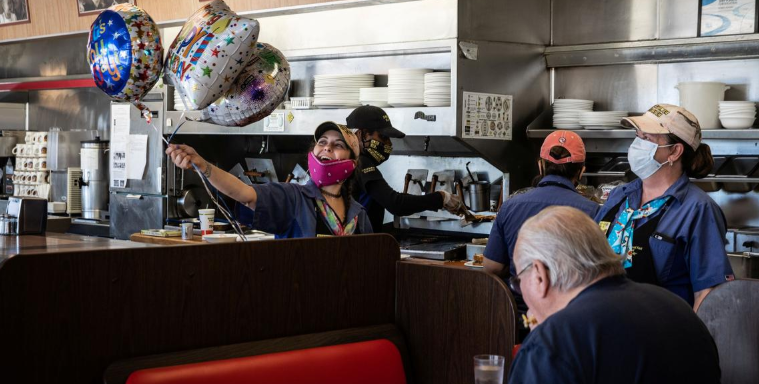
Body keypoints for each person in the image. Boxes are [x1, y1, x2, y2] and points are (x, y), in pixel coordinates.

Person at [508, 206, 722, 384]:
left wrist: (544, 337)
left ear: (539, 275)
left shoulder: (553, 343)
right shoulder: (679, 309)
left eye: (518, 280)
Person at [595, 104, 734, 311]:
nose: (636, 145)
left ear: (675, 151)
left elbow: (708, 294)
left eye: (647, 139)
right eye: (637, 136)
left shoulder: (697, 209)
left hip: (659, 334)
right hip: (601, 327)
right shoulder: (619, 196)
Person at [166, 122, 372, 237]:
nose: (327, 147)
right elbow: (245, 194)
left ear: (351, 163)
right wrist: (203, 165)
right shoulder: (293, 196)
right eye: (322, 142)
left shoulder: (358, 215)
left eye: (338, 145)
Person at [484, 131, 599, 312]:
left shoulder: (510, 206)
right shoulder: (594, 211)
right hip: (569, 317)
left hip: (520, 316)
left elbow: (492, 267)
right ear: (581, 171)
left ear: (540, 166)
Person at [345, 105, 462, 233]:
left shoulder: (349, 162)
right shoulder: (361, 163)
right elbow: (396, 204)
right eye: (383, 137)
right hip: (356, 246)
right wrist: (441, 198)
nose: (389, 144)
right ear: (362, 134)